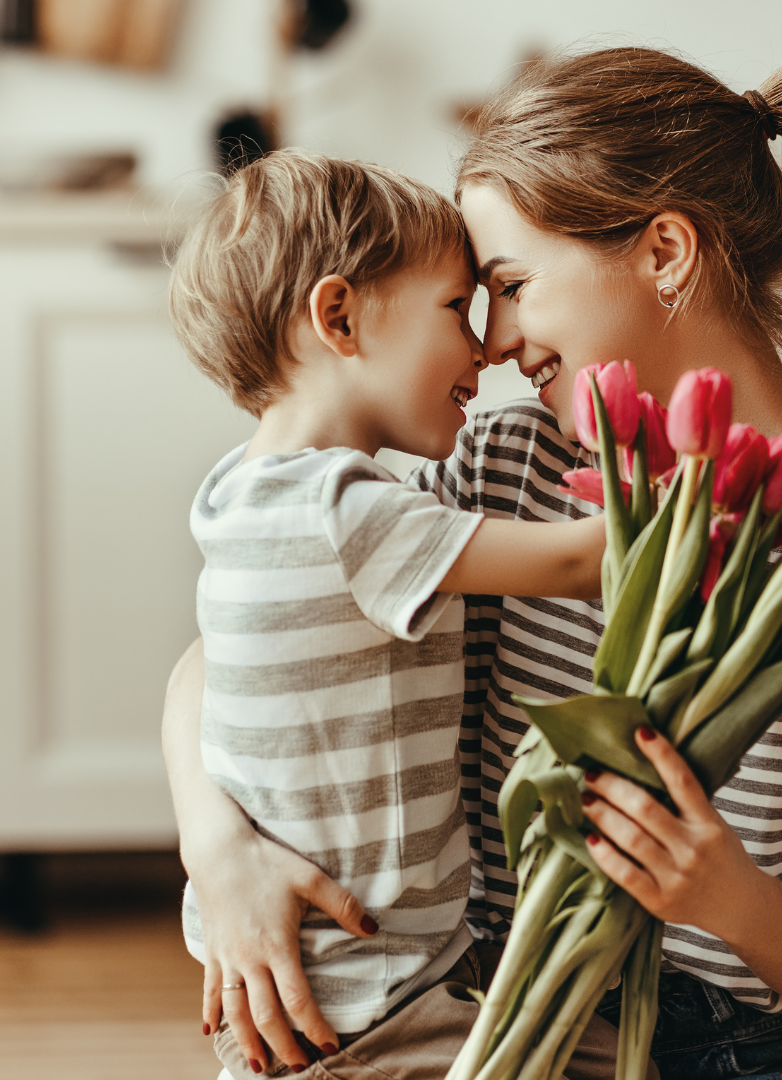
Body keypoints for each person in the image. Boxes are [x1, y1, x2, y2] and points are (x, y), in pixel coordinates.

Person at [163, 48, 782, 1080]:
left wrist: (726, 896)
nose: (493, 341)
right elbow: (237, 645)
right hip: (488, 1018)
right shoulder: (503, 466)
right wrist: (218, 849)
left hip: (746, 1050)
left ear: (666, 251)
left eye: (508, 285)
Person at [167, 149, 628, 1080]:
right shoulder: (347, 512)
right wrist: (780, 474)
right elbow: (587, 562)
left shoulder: (241, 490)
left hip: (344, 976)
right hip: (370, 997)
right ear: (338, 317)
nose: (482, 345)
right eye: (457, 307)